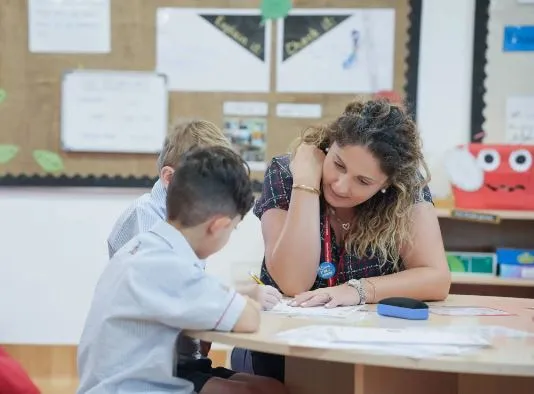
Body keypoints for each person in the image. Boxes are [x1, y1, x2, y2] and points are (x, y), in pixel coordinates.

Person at [231, 98, 452, 381]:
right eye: (338, 164)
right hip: (285, 349)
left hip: (371, 348)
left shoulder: (406, 188)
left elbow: (436, 278)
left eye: (363, 181)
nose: (341, 185)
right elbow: (292, 282)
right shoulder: (288, 172)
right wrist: (306, 184)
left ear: (387, 184)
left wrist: (357, 290)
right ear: (328, 146)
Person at [77, 146, 287, 394]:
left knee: (271, 387)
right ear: (218, 226)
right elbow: (248, 319)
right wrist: (246, 298)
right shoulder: (171, 265)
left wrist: (238, 296)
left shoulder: (144, 246)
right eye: (233, 229)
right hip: (137, 387)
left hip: (124, 379)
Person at [107, 119, 281, 362]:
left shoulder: (175, 233)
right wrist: (240, 298)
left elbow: (185, 291)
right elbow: (172, 293)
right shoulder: (148, 222)